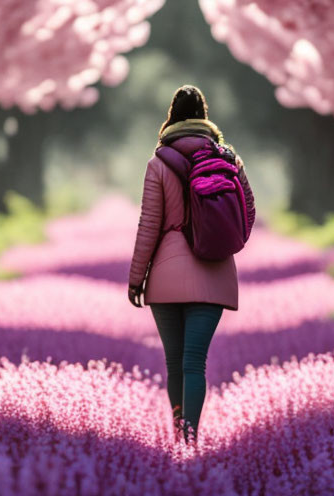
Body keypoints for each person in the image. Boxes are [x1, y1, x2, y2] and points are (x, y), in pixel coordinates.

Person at [128, 84, 256, 445]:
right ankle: (191, 437)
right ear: (204, 116)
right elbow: (248, 211)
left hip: (166, 276)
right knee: (194, 361)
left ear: (172, 116)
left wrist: (137, 279)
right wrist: (225, 237)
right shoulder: (228, 159)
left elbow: (148, 225)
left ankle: (177, 426)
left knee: (174, 363)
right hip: (214, 270)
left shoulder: (158, 163)